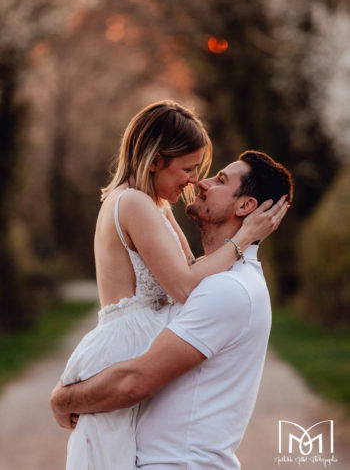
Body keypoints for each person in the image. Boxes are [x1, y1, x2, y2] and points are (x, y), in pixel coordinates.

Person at [55, 100, 287, 470]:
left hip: (142, 339)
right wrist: (242, 241)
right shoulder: (132, 202)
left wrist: (245, 241)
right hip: (125, 342)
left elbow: (191, 269)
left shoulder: (155, 205)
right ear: (155, 160)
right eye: (189, 168)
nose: (194, 180)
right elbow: (185, 286)